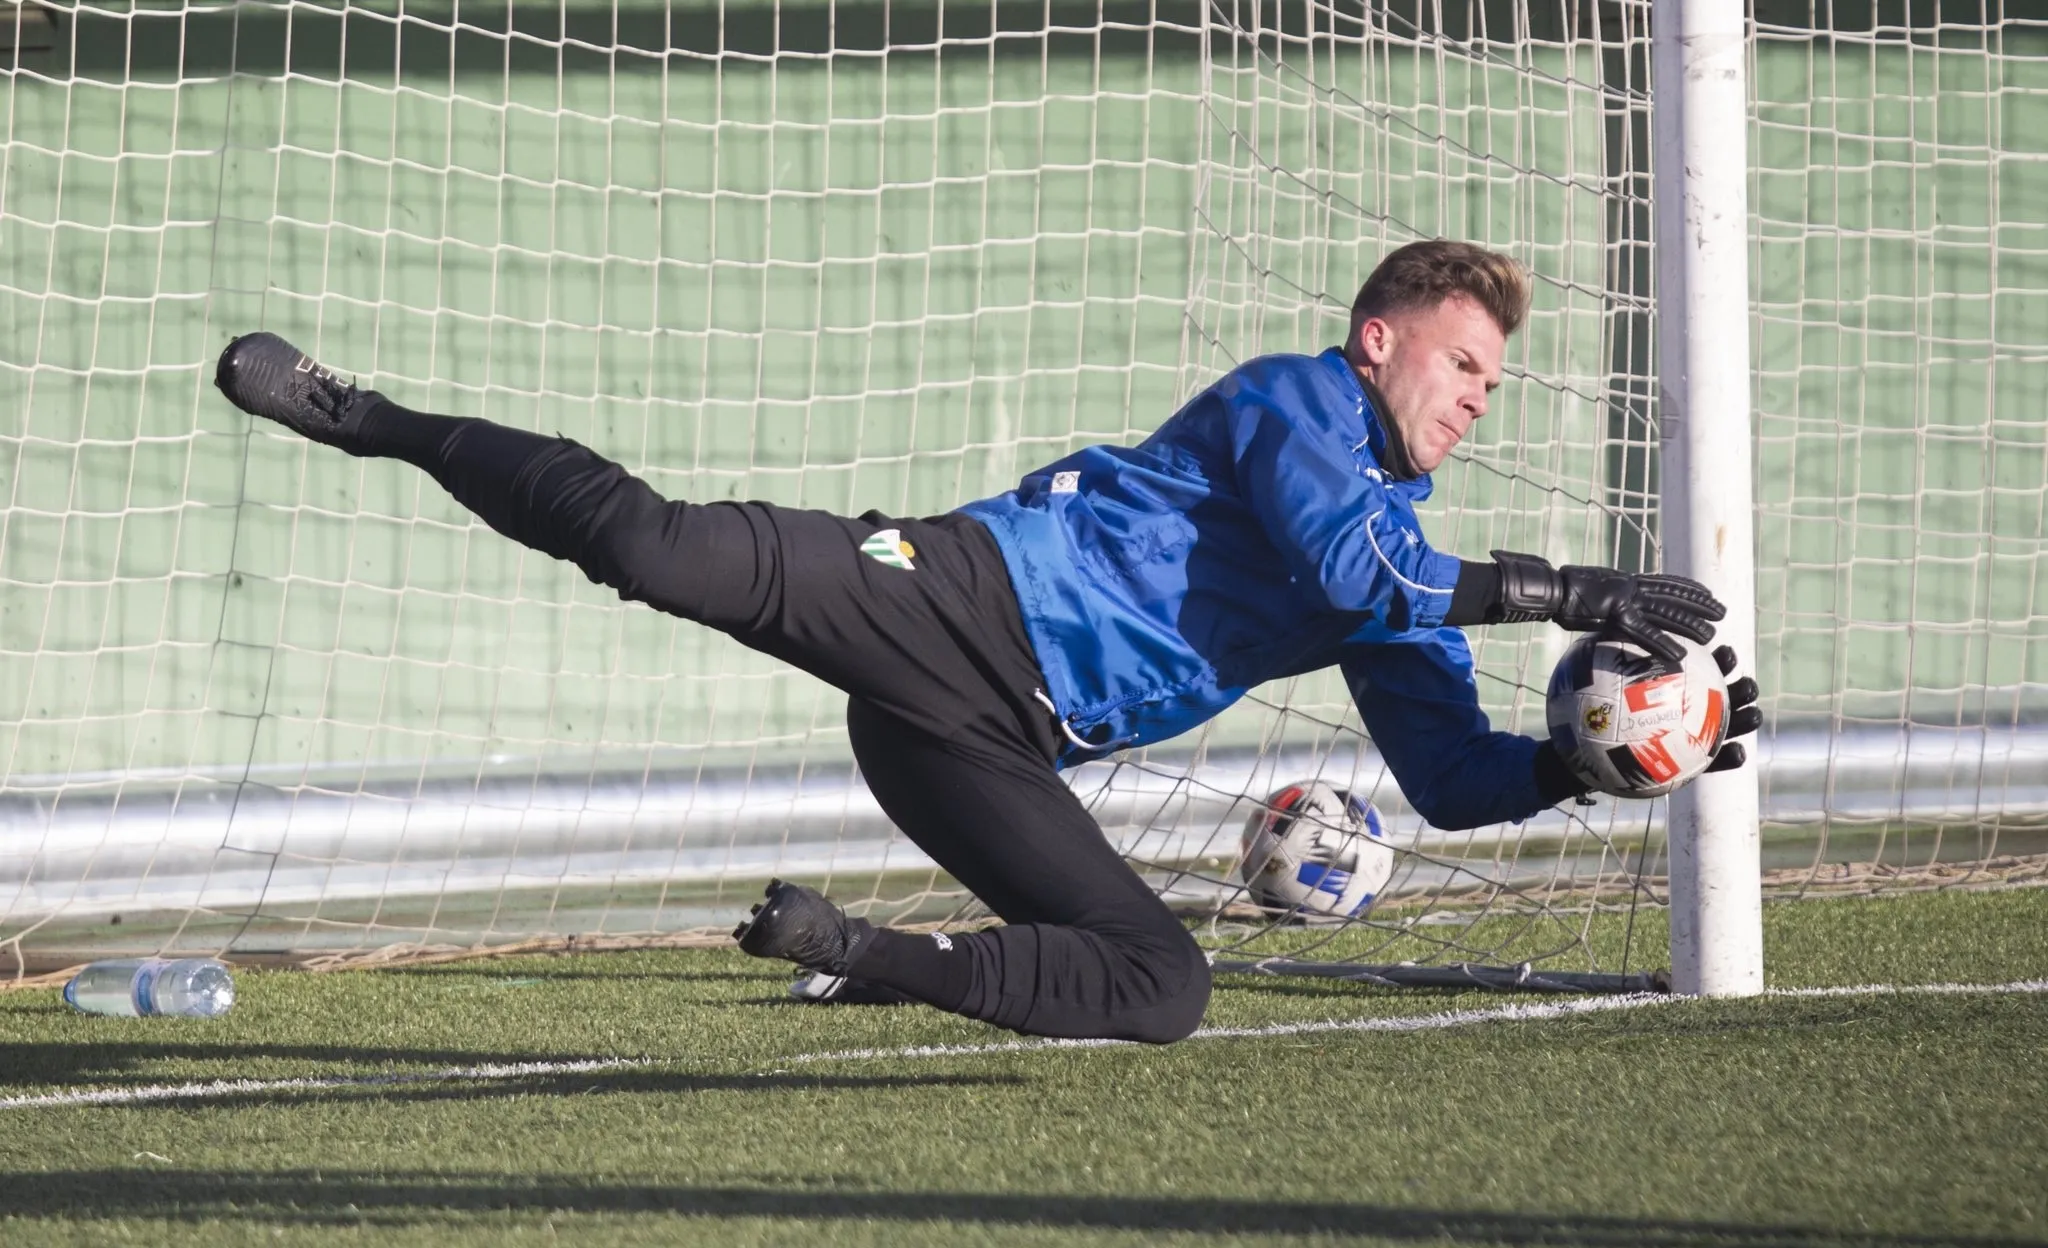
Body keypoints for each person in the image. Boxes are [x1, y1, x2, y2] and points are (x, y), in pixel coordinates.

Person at [215, 239, 1759, 1045]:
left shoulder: (1405, 565)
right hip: (941, 592)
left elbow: (1442, 773)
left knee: (1163, 985)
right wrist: (1563, 592)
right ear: (1380, 339)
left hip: (979, 743)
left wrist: (1589, 760)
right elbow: (1346, 556)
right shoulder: (1297, 402)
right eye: (1469, 361)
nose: (1484, 395)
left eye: (1495, 379)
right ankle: (368, 417)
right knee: (648, 546)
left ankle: (855, 952)